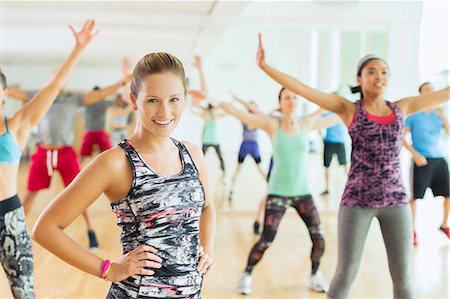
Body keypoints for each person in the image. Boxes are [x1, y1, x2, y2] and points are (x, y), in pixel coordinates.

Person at [254, 33, 450, 299]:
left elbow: (445, 93)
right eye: (371, 71)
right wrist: (265, 67)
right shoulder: (349, 109)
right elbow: (302, 88)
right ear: (360, 78)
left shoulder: (402, 107)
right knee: (346, 273)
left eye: (383, 71)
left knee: (403, 278)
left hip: (396, 203)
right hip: (357, 202)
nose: (378, 76)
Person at [32, 52, 216, 298]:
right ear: (133, 100)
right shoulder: (116, 162)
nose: (165, 111)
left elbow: (207, 208)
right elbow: (45, 229)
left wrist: (208, 250)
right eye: (152, 100)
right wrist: (108, 269)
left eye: (174, 99)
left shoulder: (193, 153)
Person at [0, 19, 97, 299]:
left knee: (24, 293)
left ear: (4, 94)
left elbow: (54, 86)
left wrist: (77, 49)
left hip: (10, 219)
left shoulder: (16, 125)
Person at [218, 88, 339, 294]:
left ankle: (315, 273)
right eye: (287, 98)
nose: (291, 101)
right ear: (280, 102)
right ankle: (246, 273)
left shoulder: (306, 123)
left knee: (319, 237)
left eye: (294, 97)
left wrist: (350, 102)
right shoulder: (273, 125)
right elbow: (242, 114)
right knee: (266, 239)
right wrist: (216, 101)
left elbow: (337, 115)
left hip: (303, 193)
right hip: (278, 192)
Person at [7, 51, 131, 252]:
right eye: (54, 75)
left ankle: (91, 232)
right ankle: (13, 231)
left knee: (79, 194)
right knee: (29, 195)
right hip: (44, 153)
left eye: (60, 76)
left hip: (65, 154)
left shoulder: (74, 98)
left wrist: (121, 81)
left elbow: (99, 95)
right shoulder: (38, 96)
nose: (57, 78)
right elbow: (12, 92)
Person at [404, 82, 450, 245]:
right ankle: (412, 230)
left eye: (432, 89)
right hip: (421, 160)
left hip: (439, 159)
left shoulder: (438, 114)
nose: (431, 92)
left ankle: (444, 225)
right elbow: (400, 137)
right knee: (415, 198)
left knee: (448, 195)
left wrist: (443, 116)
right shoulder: (414, 115)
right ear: (421, 94)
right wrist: (415, 154)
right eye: (427, 90)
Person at [80, 58, 131, 161]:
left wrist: (124, 74)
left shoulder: (104, 104)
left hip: (101, 132)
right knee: (83, 154)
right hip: (89, 132)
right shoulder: (86, 104)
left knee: (108, 152)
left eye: (98, 96)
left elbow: (118, 97)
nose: (96, 97)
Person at [228, 95, 266, 203]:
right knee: (239, 169)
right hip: (247, 146)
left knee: (260, 169)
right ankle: (231, 189)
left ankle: (271, 188)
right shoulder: (247, 119)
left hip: (251, 146)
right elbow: (237, 112)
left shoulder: (255, 119)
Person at [320, 110, 349, 196]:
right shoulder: (329, 113)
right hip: (330, 142)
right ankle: (327, 189)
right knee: (327, 166)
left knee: (345, 166)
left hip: (339, 142)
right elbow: (318, 123)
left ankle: (351, 187)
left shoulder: (342, 113)